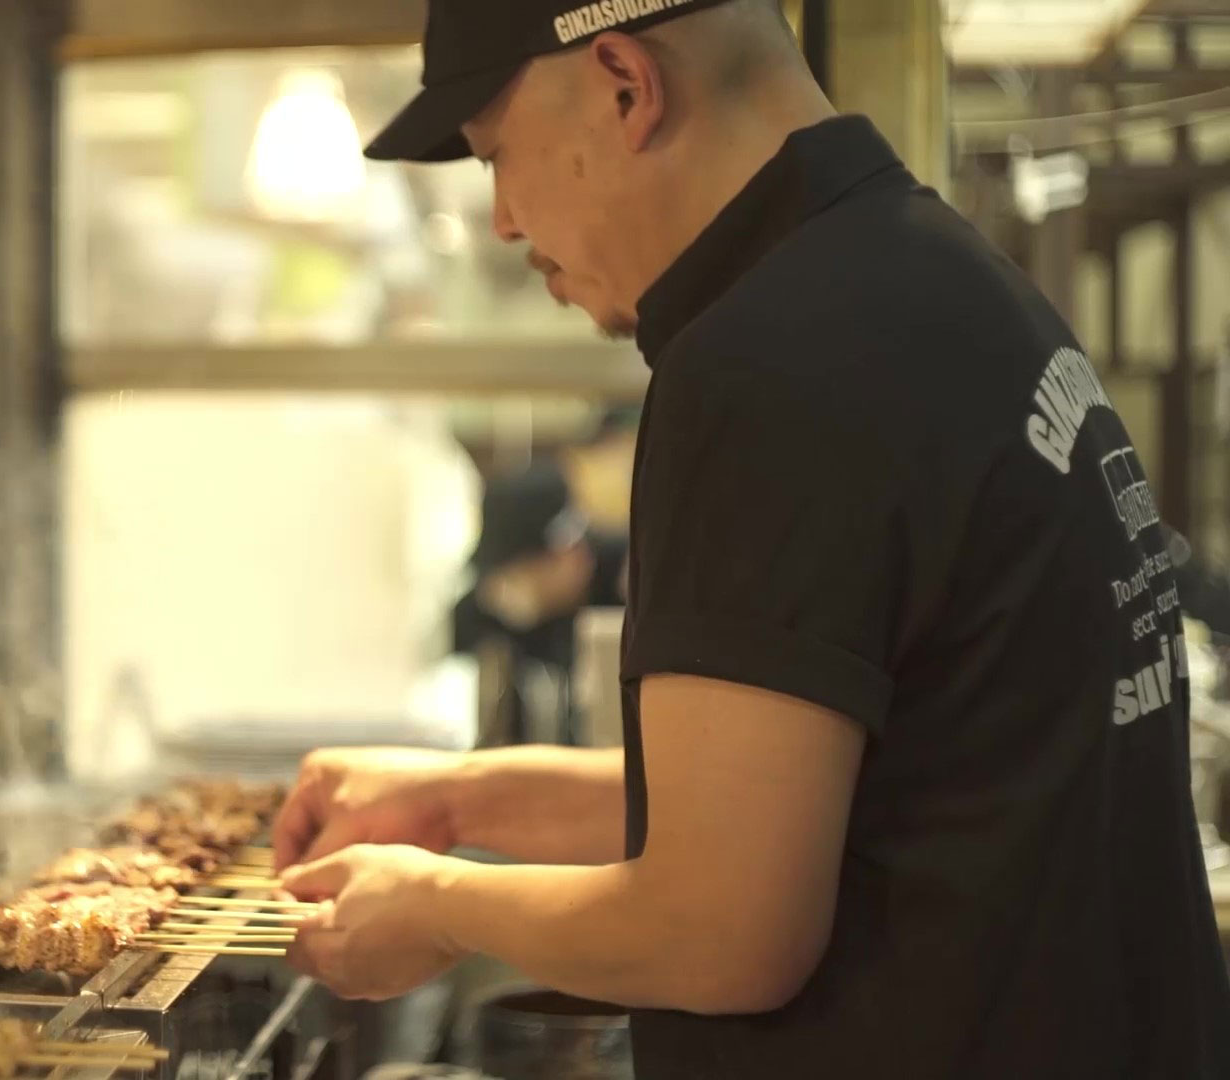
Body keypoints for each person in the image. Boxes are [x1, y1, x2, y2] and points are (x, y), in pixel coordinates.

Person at [269, 1, 1230, 1077]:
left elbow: (720, 930)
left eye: (498, 155)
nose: (500, 219)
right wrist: (460, 798)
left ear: (626, 85)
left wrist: (441, 906)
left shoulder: (769, 359)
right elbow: (831, 796)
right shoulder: (930, 280)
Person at [452, 457, 625, 746]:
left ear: (567, 553)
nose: (505, 588)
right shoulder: (483, 613)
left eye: (519, 572)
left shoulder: (625, 591)